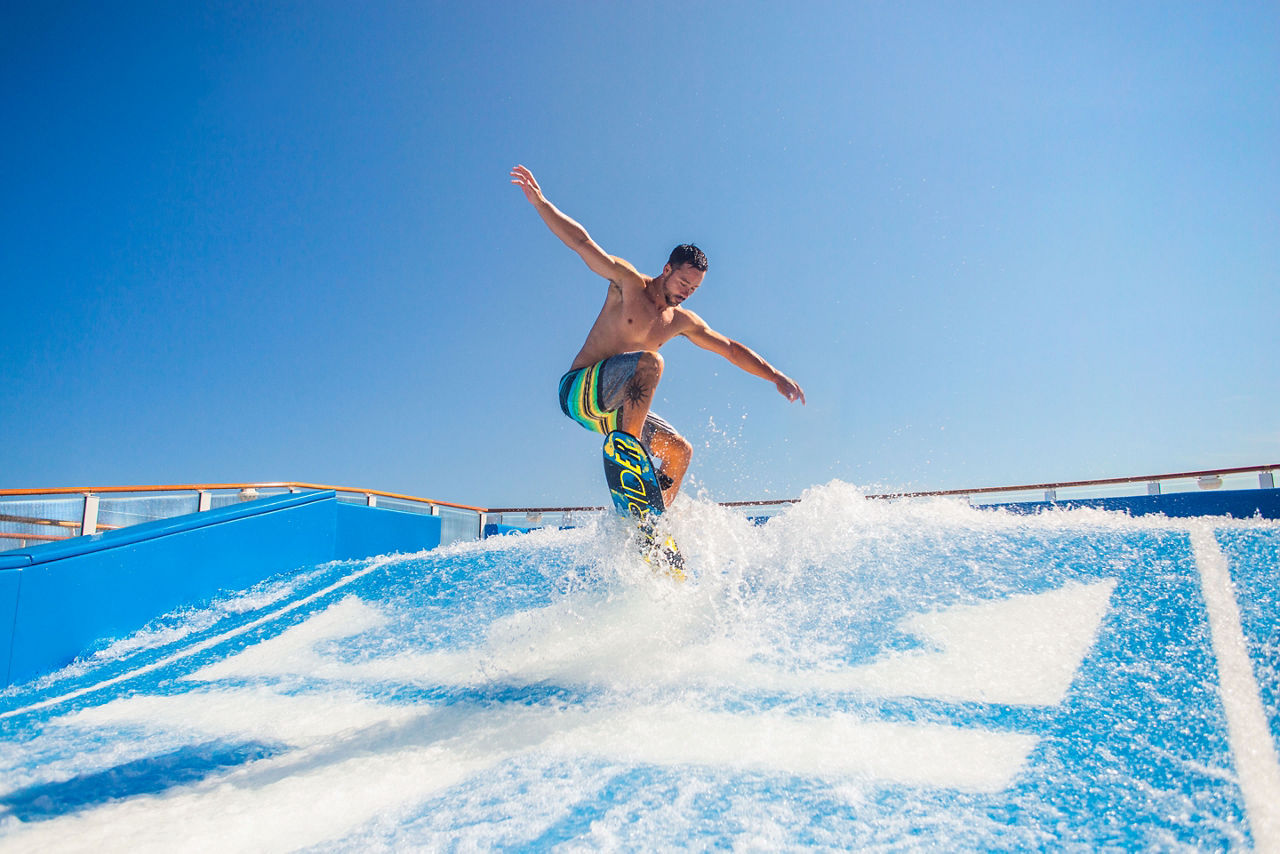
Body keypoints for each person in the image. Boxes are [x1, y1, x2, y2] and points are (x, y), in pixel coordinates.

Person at [511, 164, 805, 508]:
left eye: (694, 289)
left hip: (616, 414)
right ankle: (630, 458)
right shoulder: (627, 283)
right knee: (650, 363)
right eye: (683, 283)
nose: (686, 293)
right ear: (667, 270)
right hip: (578, 392)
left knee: (680, 452)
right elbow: (582, 243)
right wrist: (541, 203)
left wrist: (774, 376)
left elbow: (729, 349)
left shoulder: (681, 321)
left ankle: (651, 523)